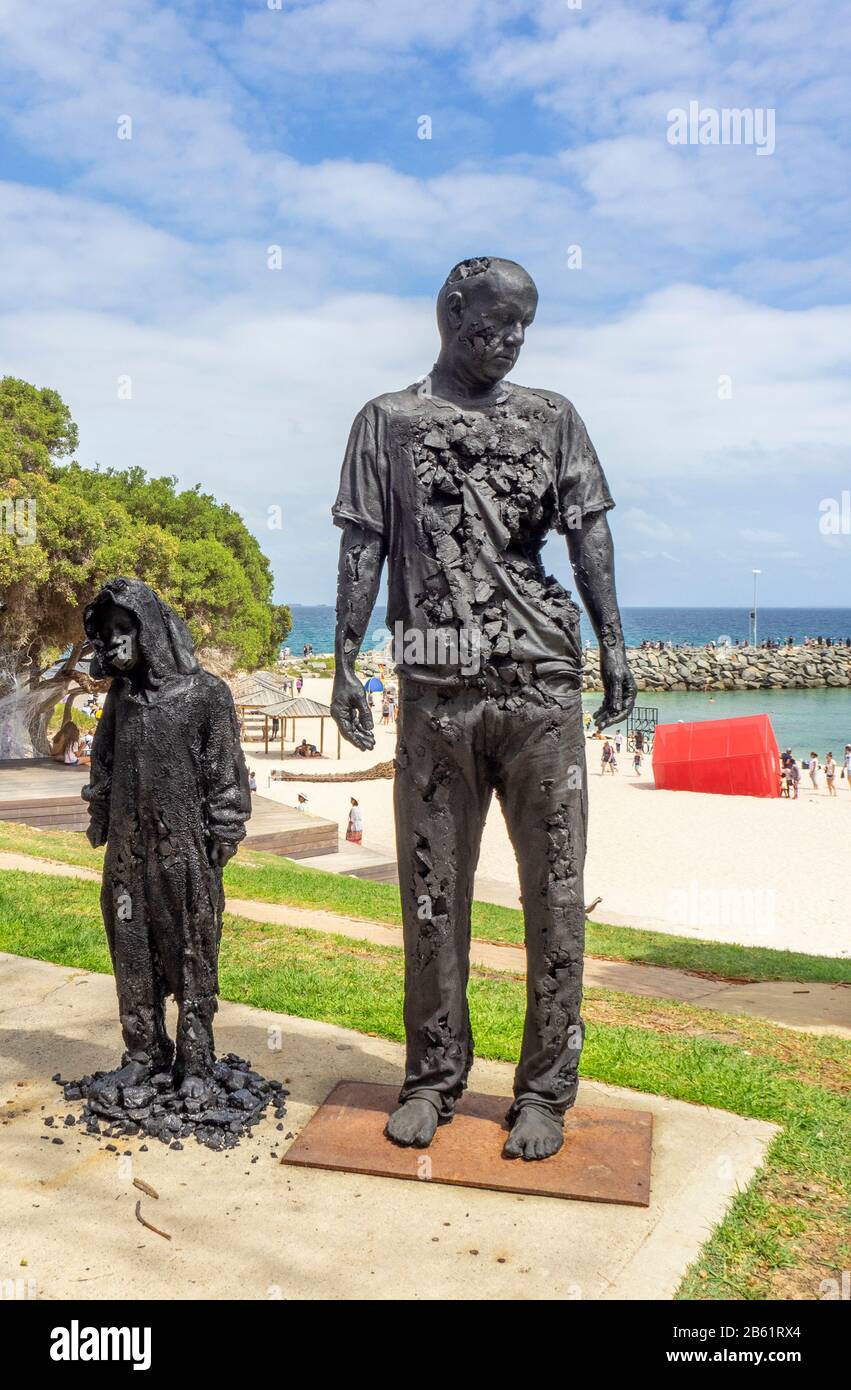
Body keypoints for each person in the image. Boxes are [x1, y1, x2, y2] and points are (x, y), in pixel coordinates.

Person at [331, 256, 635, 1160]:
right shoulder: (386, 422)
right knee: (430, 898)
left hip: (541, 685)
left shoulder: (553, 418)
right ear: (450, 313)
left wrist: (615, 645)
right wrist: (347, 661)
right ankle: (431, 1076)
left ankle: (544, 1091)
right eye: (489, 327)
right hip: (432, 692)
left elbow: (589, 531)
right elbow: (363, 548)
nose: (504, 345)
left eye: (520, 331)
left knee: (556, 895)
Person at [82, 577, 251, 1101]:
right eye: (105, 633)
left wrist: (226, 828)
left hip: (185, 855)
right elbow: (104, 761)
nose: (112, 642)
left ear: (149, 629)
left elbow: (227, 771)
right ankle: (142, 1052)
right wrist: (101, 813)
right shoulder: (122, 699)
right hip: (127, 856)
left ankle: (195, 1059)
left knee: (194, 950)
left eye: (122, 629)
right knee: (130, 949)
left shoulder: (205, 696)